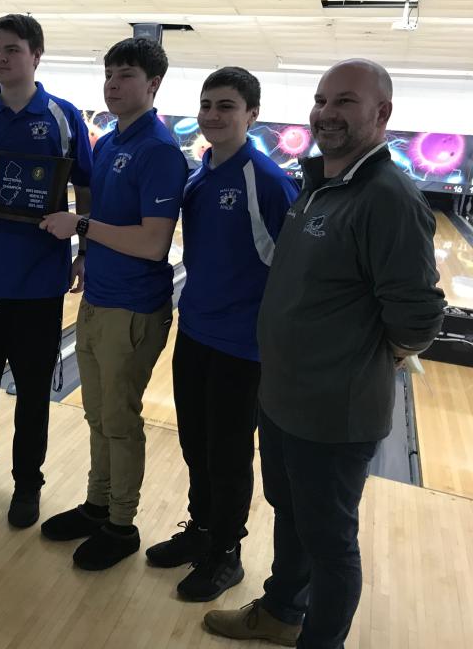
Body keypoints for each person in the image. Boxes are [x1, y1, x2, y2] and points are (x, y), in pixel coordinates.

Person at [204, 59, 445, 647]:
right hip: (285, 397)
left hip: (332, 412)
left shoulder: (387, 197)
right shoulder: (323, 185)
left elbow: (417, 317)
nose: (326, 113)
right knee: (292, 515)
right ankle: (283, 611)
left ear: (381, 113)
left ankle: (321, 639)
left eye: (345, 101)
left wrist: (362, 360)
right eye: (320, 100)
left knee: (331, 542)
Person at [145, 67, 298, 599]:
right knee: (195, 445)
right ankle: (203, 531)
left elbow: (291, 271)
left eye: (226, 106)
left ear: (251, 115)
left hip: (243, 346)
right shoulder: (199, 174)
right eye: (207, 104)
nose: (213, 115)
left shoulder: (268, 181)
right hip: (197, 333)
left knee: (229, 453)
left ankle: (226, 553)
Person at [38, 37, 188, 569]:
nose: (112, 84)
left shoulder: (160, 151)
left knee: (119, 421)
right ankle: (97, 505)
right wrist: (85, 252)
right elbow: (105, 218)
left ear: (153, 85)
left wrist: (81, 225)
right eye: (108, 74)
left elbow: (152, 243)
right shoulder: (109, 144)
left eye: (125, 75)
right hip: (100, 297)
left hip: (133, 307)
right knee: (98, 415)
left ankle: (122, 525)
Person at [0, 14, 92, 528]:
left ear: (36, 56)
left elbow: (87, 193)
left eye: (11, 49)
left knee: (32, 391)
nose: (1, 58)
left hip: (39, 282)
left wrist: (84, 249)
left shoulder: (63, 117)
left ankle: (27, 481)